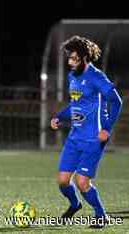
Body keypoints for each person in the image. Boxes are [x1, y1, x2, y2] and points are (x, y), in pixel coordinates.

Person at [51, 35, 123, 228]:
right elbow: (75, 104)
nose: (70, 62)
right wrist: (59, 116)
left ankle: (101, 216)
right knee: (63, 181)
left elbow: (116, 101)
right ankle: (75, 205)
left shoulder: (96, 77)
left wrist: (106, 129)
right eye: (69, 58)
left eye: (74, 58)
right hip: (75, 137)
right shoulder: (72, 76)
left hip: (94, 137)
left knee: (82, 182)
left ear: (84, 58)